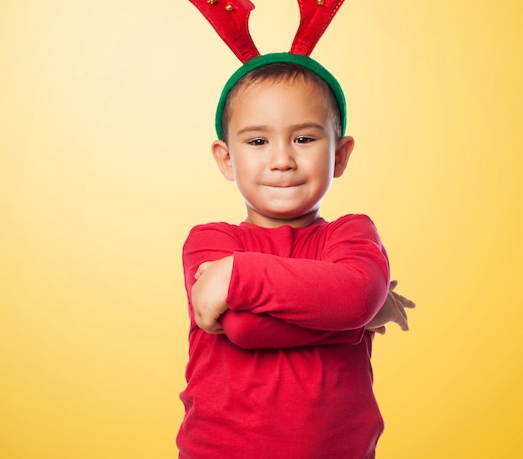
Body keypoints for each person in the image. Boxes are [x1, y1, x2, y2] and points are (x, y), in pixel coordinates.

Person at [176, 61, 415, 458]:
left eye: (304, 139)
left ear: (339, 155)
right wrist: (361, 319)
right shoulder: (212, 241)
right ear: (226, 158)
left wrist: (238, 275)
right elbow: (245, 328)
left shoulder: (352, 234)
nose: (282, 159)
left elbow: (355, 296)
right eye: (257, 142)